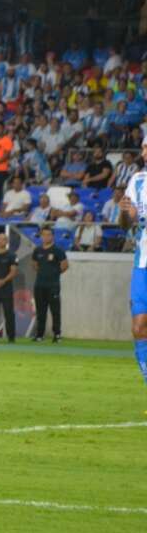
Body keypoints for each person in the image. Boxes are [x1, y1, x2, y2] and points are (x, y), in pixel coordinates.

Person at [119, 151, 147, 394]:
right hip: (142, 263)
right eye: (144, 147)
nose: (144, 152)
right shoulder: (137, 180)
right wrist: (124, 212)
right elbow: (125, 224)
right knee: (139, 327)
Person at [31, 226, 68, 342]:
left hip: (53, 286)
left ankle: (57, 334)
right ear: (41, 236)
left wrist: (54, 274)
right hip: (39, 285)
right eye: (44, 234)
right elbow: (34, 264)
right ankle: (39, 335)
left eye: (49, 234)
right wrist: (43, 273)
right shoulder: (37, 250)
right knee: (40, 311)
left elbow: (65, 265)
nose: (46, 237)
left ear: (52, 236)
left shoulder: (58, 250)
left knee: (55, 311)